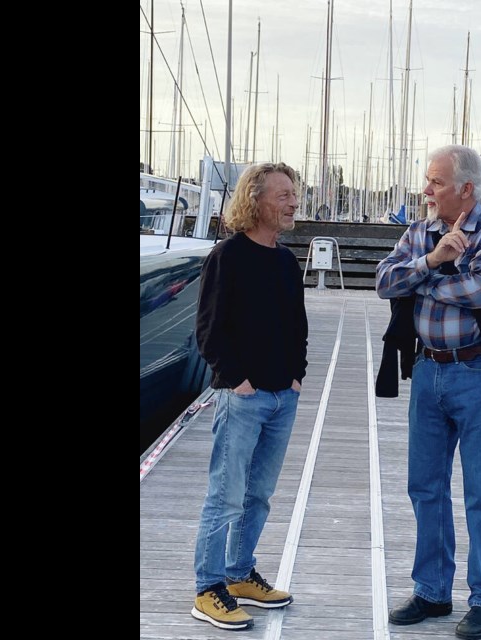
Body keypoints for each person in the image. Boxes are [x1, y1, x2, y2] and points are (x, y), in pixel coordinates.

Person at [376, 145, 481, 640]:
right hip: (427, 372)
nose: (426, 191)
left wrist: (421, 279)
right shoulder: (420, 232)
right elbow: (383, 281)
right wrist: (434, 260)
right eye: (427, 181)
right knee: (425, 488)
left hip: (479, 374)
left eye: (435, 182)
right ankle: (433, 592)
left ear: (466, 189)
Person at [191, 162, 308, 631]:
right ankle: (207, 588)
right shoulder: (228, 256)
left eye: (293, 195)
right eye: (283, 195)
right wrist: (236, 380)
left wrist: (296, 376)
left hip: (284, 396)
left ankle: (240, 575)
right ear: (255, 200)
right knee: (226, 495)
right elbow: (208, 329)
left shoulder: (285, 260)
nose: (293, 203)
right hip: (243, 397)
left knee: (259, 495)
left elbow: (298, 326)